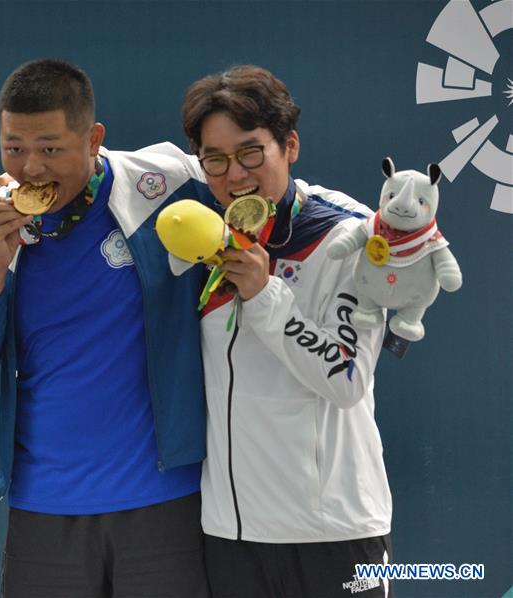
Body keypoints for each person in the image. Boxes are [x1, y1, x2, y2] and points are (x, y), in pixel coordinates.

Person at [0, 59, 211, 597]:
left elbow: (263, 186)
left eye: (50, 148)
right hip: (44, 509)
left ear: (93, 139)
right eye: (13, 148)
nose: (30, 168)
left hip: (163, 501)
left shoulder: (165, 185)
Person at [181, 65, 393, 597]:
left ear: (290, 145)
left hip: (333, 533)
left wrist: (265, 293)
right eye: (216, 160)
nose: (234, 175)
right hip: (231, 535)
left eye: (252, 152)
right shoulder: (204, 232)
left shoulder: (349, 235)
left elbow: (346, 379)